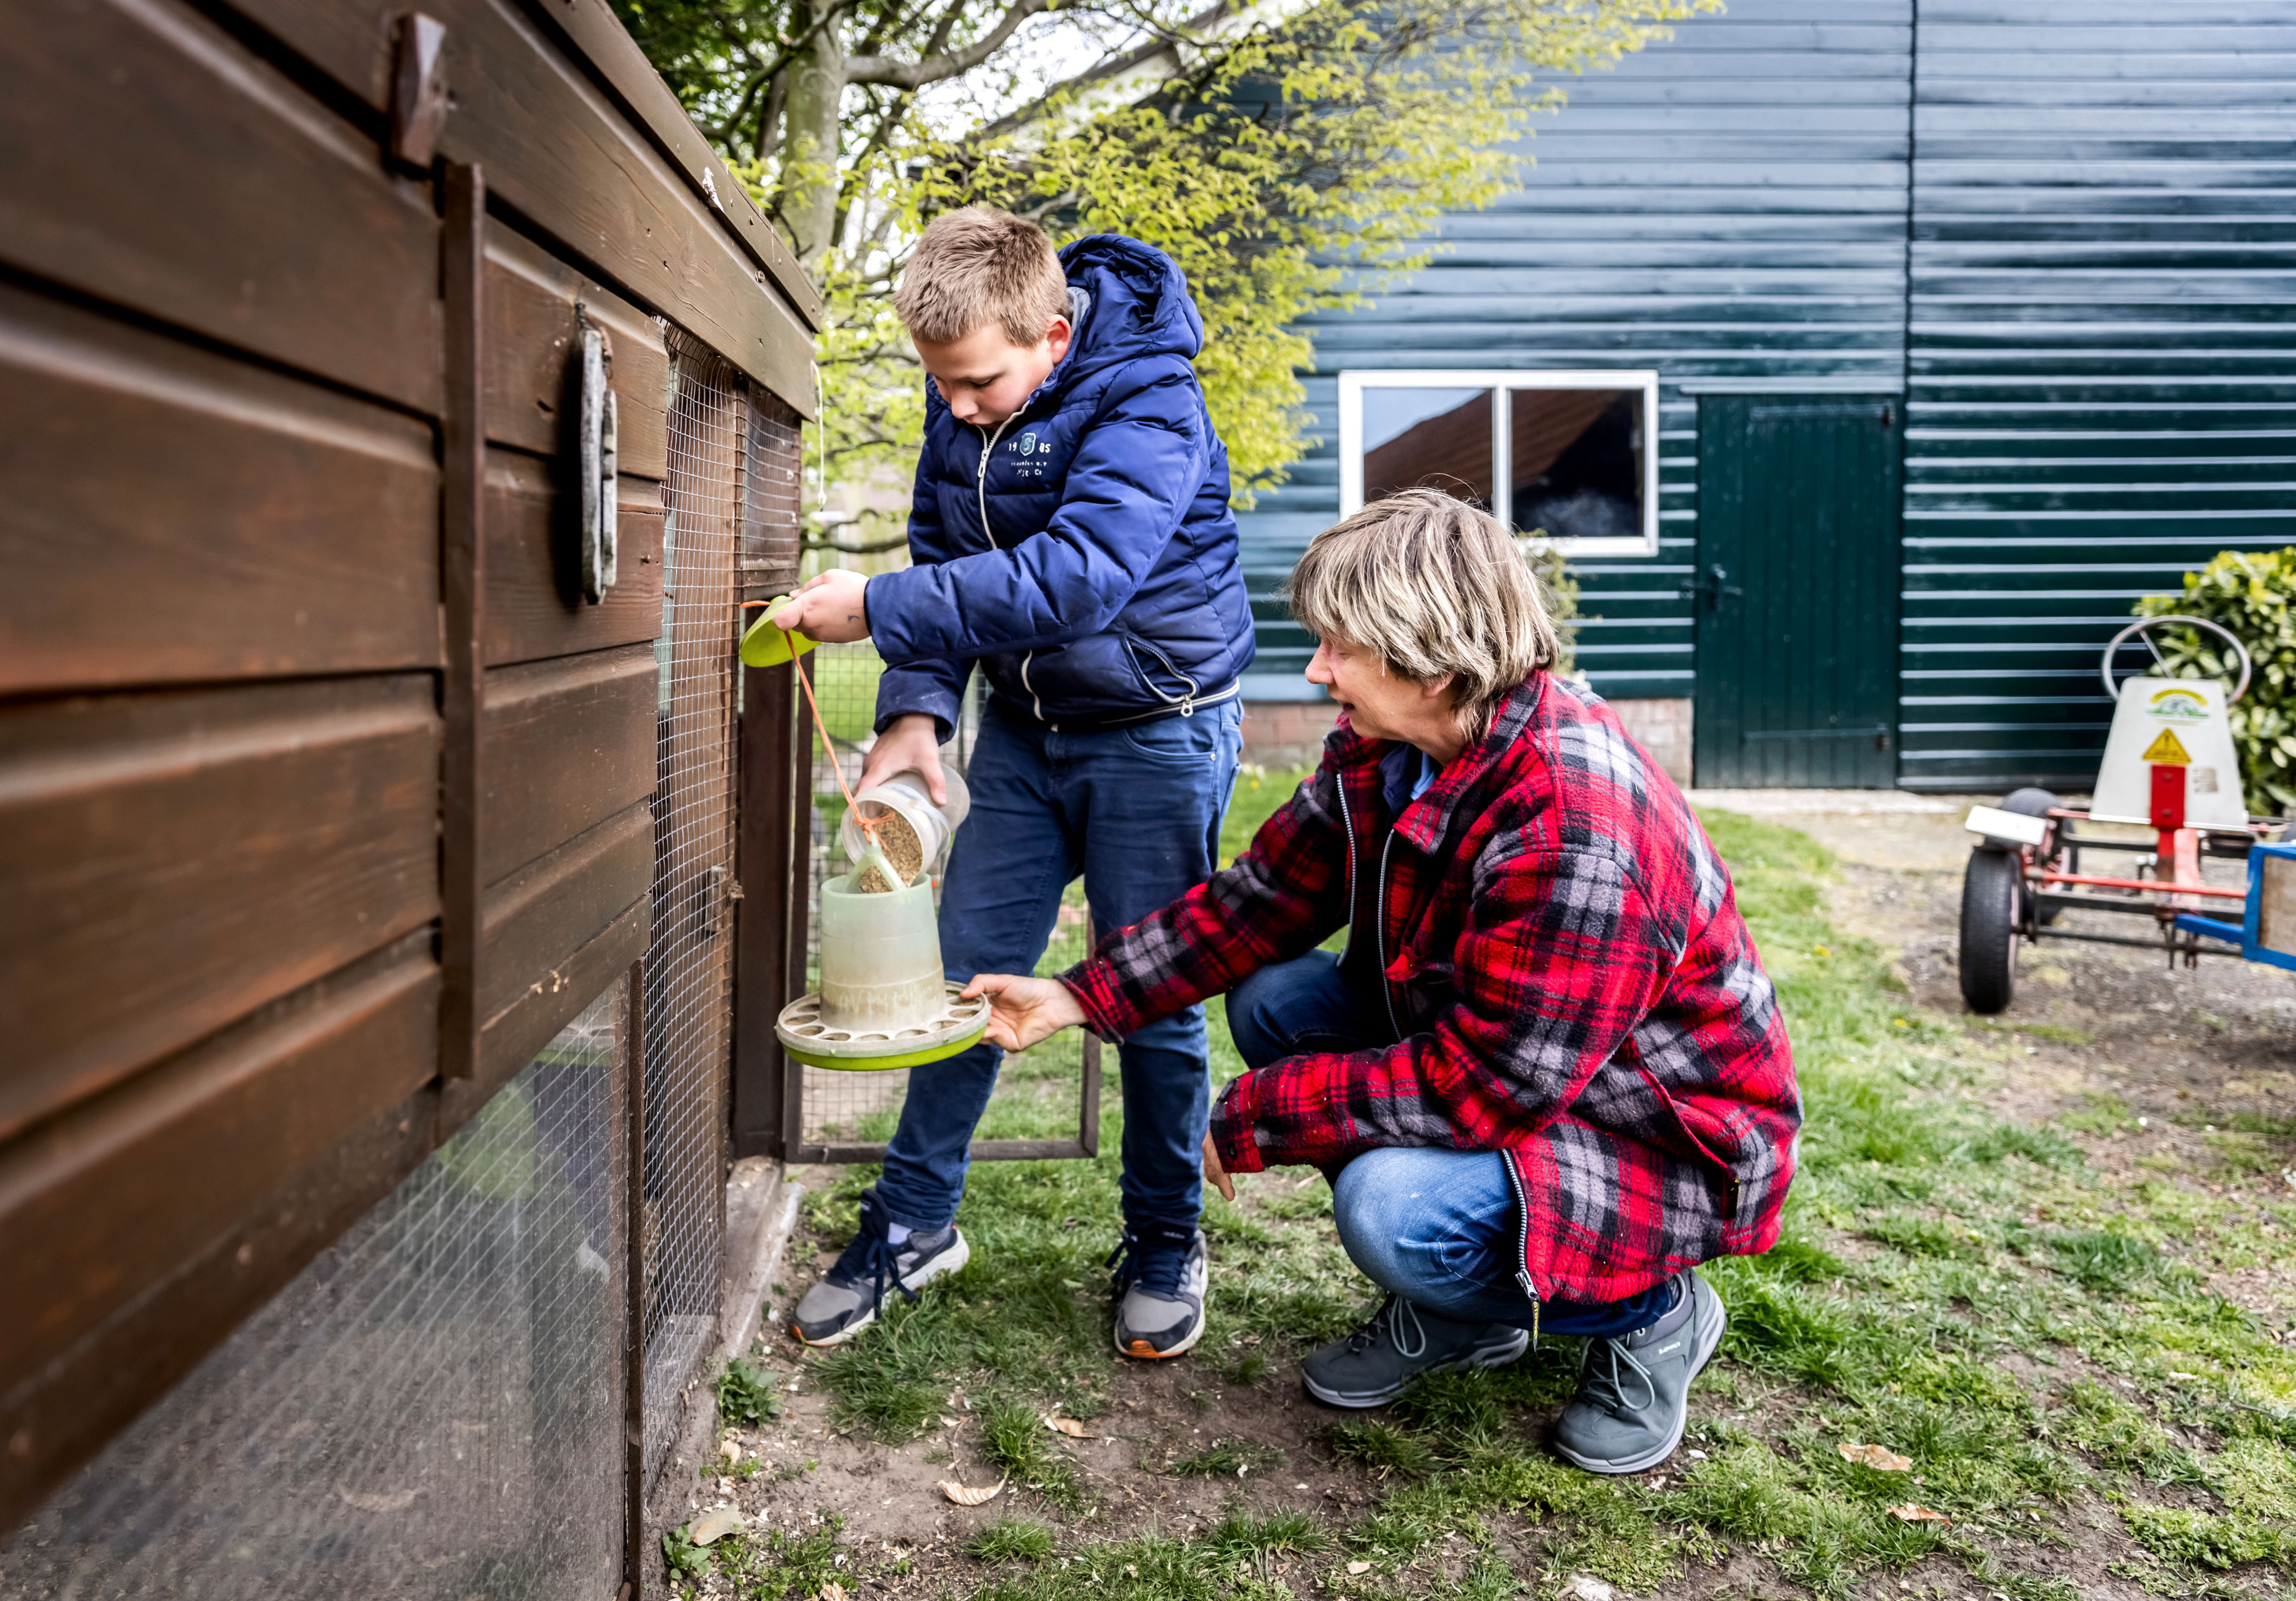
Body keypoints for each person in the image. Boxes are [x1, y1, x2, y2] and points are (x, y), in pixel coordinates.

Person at [965, 489, 1800, 1474]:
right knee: (1275, 997)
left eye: (1338, 647)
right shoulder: (1396, 745)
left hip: (1653, 1129)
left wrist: (1253, 1114)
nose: (1316, 672)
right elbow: (1261, 897)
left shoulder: (1575, 829)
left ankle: (1655, 1310)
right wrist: (1077, 995)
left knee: (1391, 1211)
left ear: (1433, 658)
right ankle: (1466, 1312)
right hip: (1521, 1059)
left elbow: (1489, 1083)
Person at [771, 207, 1254, 1358]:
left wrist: (871, 610)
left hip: (1159, 731)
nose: (957, 406)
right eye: (939, 384)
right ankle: (914, 1222)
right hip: (1028, 737)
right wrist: (914, 712)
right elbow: (949, 567)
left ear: (1051, 332)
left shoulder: (1151, 400)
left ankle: (1163, 1234)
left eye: (979, 380)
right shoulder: (965, 410)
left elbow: (1079, 578)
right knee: (954, 989)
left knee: (1152, 996)